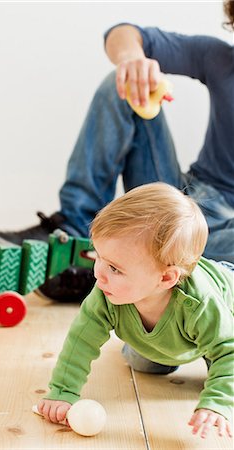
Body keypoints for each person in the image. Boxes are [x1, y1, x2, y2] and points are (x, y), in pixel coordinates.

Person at [0, 0, 234, 302]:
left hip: (220, 234)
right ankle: (75, 232)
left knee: (210, 264)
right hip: (178, 198)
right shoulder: (219, 58)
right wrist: (132, 60)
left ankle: (128, 277)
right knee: (125, 84)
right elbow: (123, 33)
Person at [37, 182, 234, 439]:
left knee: (221, 356)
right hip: (177, 337)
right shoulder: (106, 293)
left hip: (225, 307)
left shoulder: (200, 303)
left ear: (165, 279)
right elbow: (80, 340)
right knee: (143, 363)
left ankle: (208, 351)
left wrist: (218, 403)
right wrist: (63, 391)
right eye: (98, 257)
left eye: (115, 268)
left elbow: (229, 351)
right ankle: (166, 343)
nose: (98, 274)